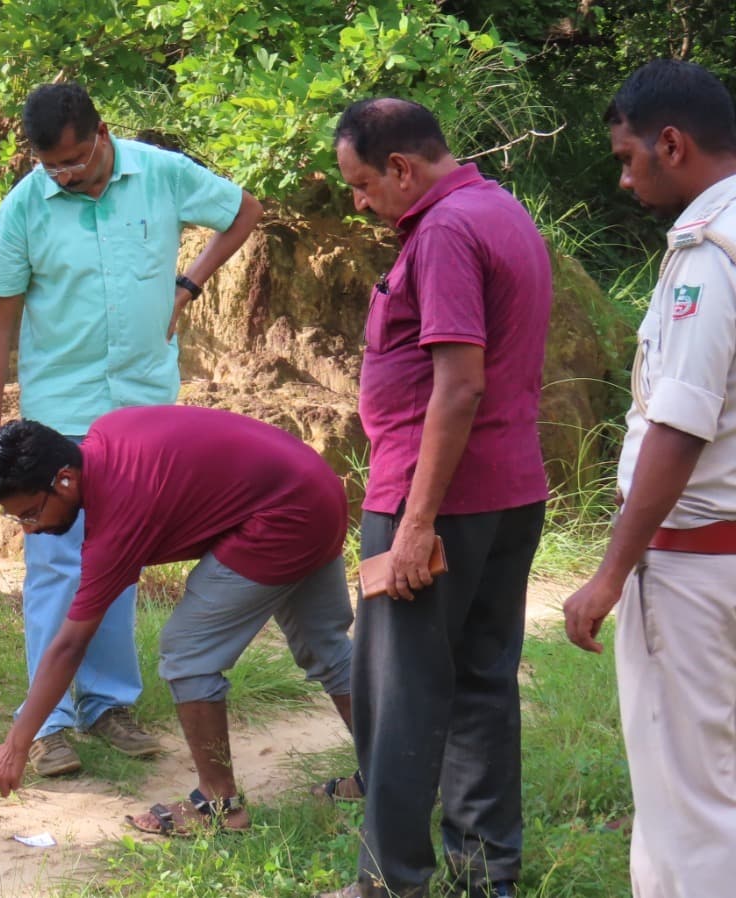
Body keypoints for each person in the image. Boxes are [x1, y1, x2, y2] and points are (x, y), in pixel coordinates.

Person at [0, 81, 264, 777]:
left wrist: (190, 282)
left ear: (101, 133)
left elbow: (243, 210)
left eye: (76, 161)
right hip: (60, 412)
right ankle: (45, 724)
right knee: (54, 562)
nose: (67, 175)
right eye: (54, 167)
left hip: (143, 410)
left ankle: (108, 704)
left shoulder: (159, 173)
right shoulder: (23, 210)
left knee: (121, 555)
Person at [322, 99, 551, 898]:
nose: (357, 200)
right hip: (509, 492)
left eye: (359, 184)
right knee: (483, 683)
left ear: (402, 170)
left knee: (399, 696)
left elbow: (458, 387)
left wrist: (414, 525)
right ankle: (488, 875)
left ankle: (390, 881)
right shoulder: (501, 210)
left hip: (437, 498)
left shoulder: (447, 231)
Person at [0, 409, 358, 834]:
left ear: (64, 480)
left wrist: (16, 744)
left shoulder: (118, 515)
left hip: (283, 515)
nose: (28, 529)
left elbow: (69, 645)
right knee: (326, 646)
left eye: (30, 513)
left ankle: (219, 805)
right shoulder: (107, 435)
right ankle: (391, 776)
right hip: (313, 486)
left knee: (187, 652)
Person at [561, 60, 736, 898]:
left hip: (695, 563)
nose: (627, 180)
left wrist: (610, 573)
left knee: (687, 808)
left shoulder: (710, 254)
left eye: (630, 159)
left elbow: (677, 425)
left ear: (673, 143)